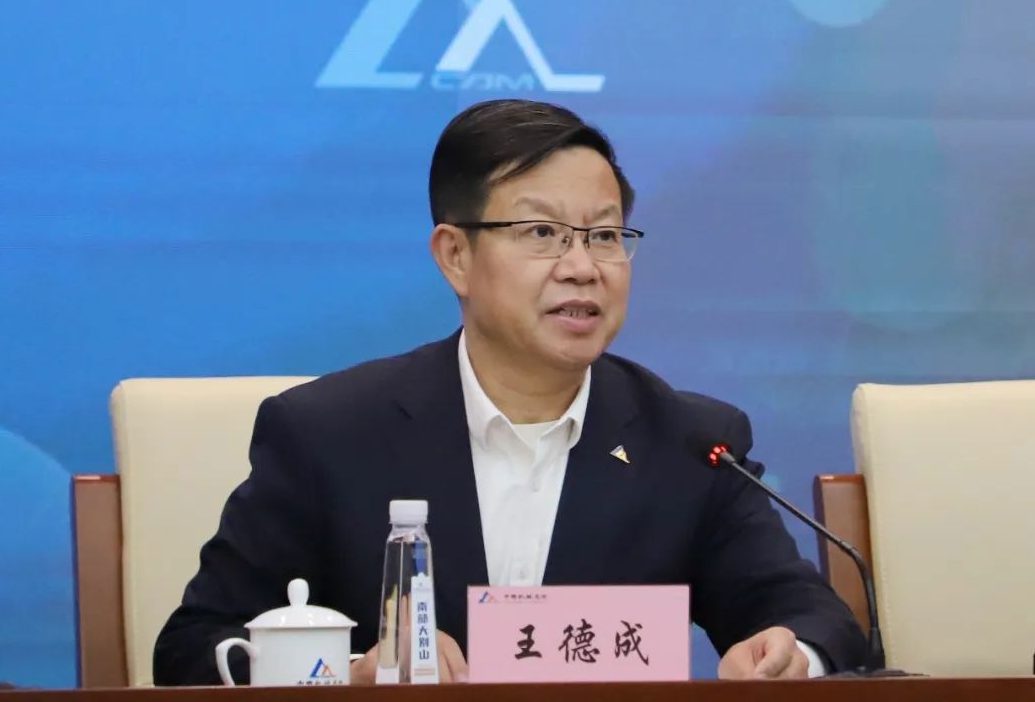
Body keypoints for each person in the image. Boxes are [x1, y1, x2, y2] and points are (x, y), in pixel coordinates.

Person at [154, 99, 866, 685]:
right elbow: (190, 650)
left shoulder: (691, 443)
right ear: (455, 256)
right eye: (542, 232)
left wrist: (791, 656)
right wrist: (345, 677)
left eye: (605, 235)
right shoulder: (328, 433)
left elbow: (816, 620)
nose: (582, 267)